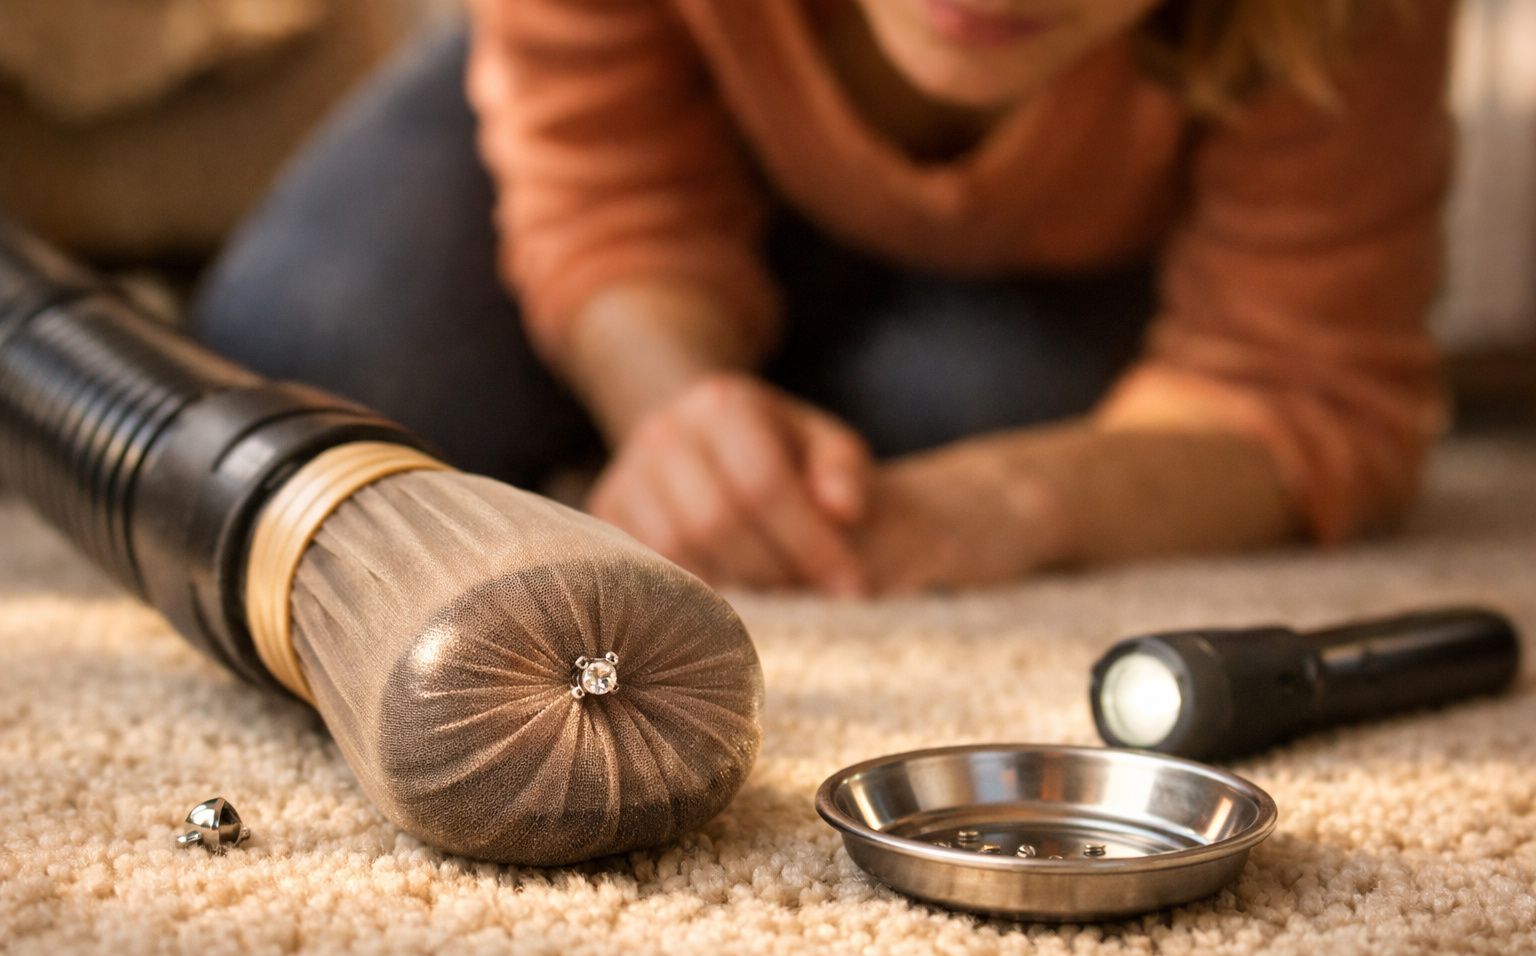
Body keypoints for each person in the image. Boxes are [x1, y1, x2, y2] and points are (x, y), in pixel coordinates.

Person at [192, 0, 1456, 596]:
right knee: (304, 359)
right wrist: (676, 410)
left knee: (965, 407)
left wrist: (1008, 501)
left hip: (1039, 266)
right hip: (658, 104)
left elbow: (1302, 380)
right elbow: (609, 187)